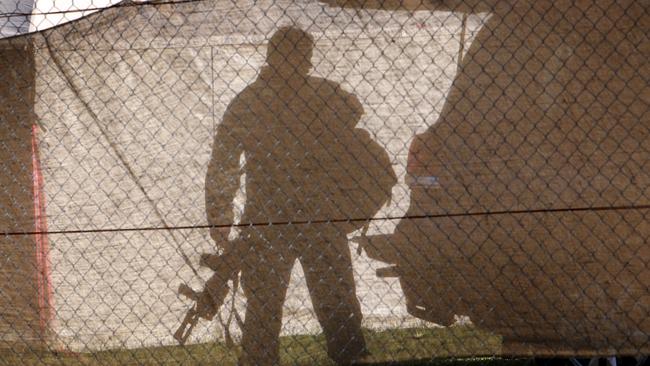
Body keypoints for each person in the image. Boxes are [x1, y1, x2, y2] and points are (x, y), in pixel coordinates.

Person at [205, 26, 396, 365]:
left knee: (298, 302)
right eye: (299, 57)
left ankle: (332, 357)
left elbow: (223, 163)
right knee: (318, 300)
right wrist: (220, 215)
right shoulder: (321, 96)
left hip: (282, 218)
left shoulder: (251, 102)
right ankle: (347, 357)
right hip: (305, 217)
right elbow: (224, 162)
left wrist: (220, 217)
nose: (302, 65)